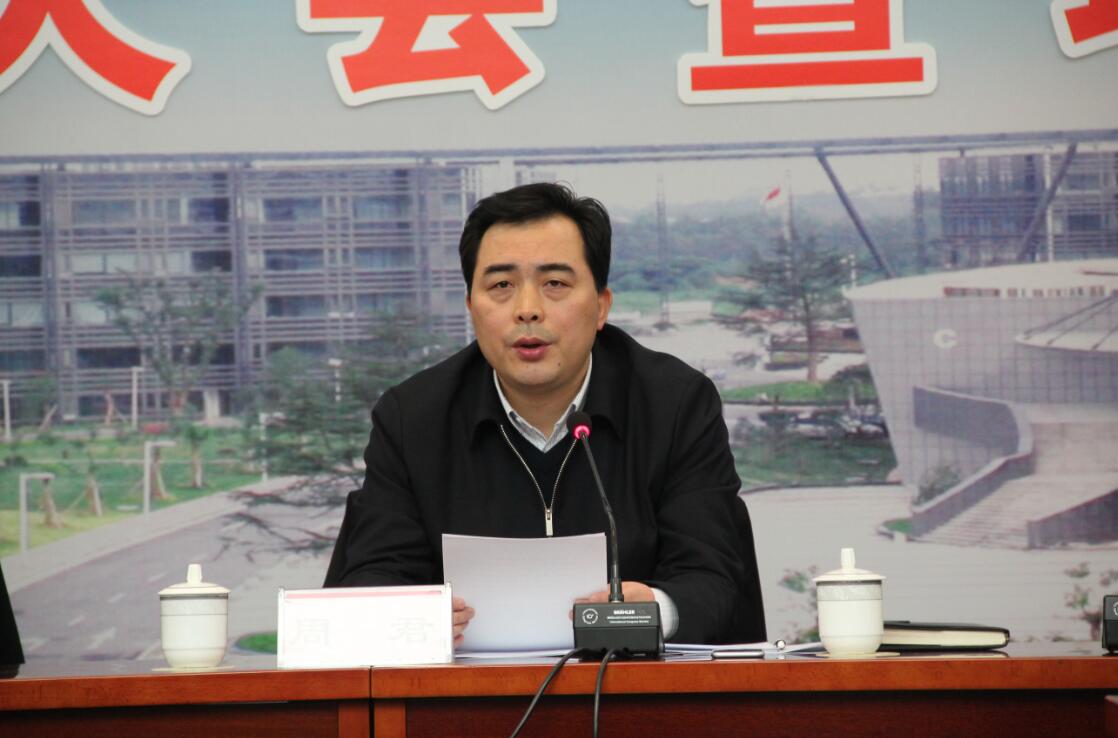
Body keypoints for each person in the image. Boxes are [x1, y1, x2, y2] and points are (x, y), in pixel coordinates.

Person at [325, 182, 765, 645]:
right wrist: (410, 618)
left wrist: (653, 609)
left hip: (633, 682)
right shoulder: (412, 418)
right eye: (501, 286)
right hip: (467, 687)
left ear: (601, 306)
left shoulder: (674, 404)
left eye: (555, 283)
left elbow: (714, 579)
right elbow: (372, 577)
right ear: (471, 308)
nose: (528, 310)